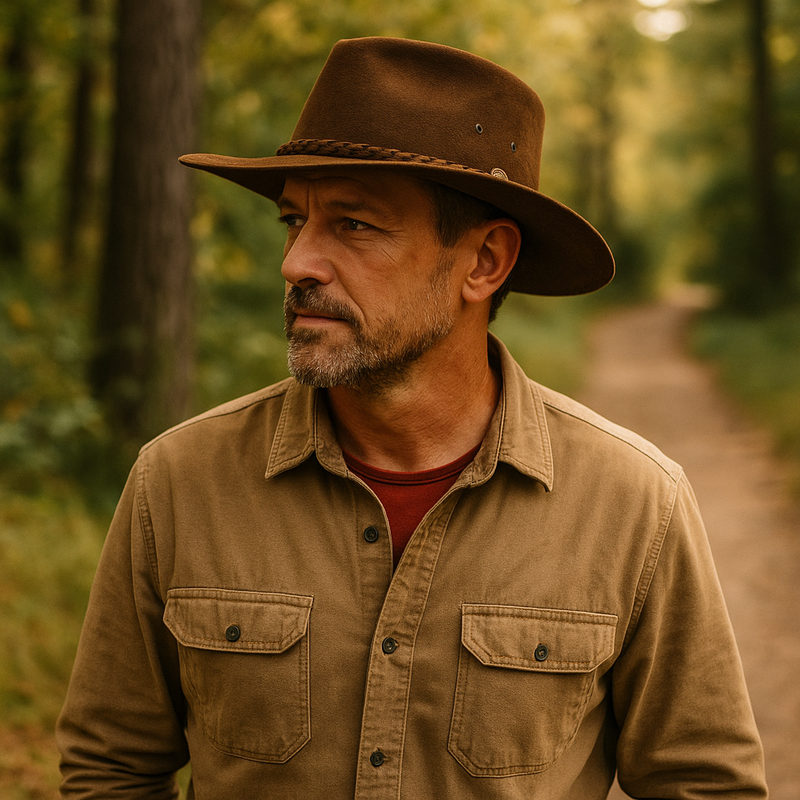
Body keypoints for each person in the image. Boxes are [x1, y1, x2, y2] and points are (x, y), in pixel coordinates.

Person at [57, 37, 767, 799]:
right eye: (294, 221)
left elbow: (705, 785)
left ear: (485, 262)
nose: (298, 262)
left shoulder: (634, 504)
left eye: (355, 225)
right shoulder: (179, 482)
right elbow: (112, 769)